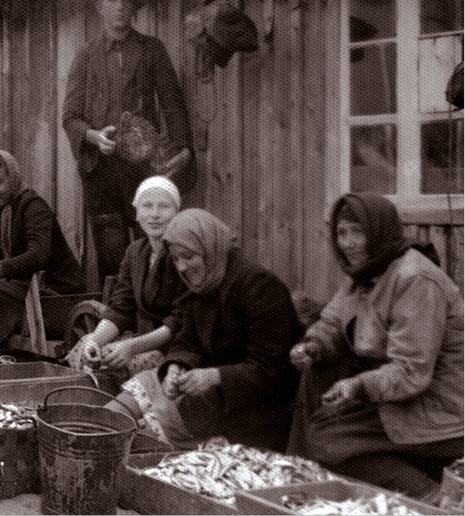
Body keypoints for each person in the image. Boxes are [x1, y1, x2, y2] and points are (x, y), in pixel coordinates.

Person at [287, 193, 463, 500]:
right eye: (342, 232)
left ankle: (435, 499)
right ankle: (300, 477)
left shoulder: (415, 279)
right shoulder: (366, 273)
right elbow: (334, 320)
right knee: (318, 379)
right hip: (400, 394)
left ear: (380, 230)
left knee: (330, 437)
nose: (348, 243)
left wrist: (357, 386)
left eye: (358, 231)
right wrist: (312, 345)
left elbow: (411, 372)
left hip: (441, 404)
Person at [111, 209, 302, 452]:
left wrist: (215, 376)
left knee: (140, 439)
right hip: (208, 390)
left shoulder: (259, 287)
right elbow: (187, 341)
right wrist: (176, 367)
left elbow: (273, 368)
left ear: (210, 249)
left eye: (189, 257)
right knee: (119, 410)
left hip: (257, 407)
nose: (182, 267)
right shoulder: (200, 285)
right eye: (176, 259)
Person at [61, 0, 194, 281]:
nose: (120, 8)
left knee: (156, 245)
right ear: (100, 7)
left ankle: (154, 312)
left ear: (134, 9)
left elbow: (173, 105)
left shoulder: (151, 50)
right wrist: (94, 137)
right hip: (100, 172)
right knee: (112, 255)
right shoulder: (86, 56)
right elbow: (69, 117)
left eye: (127, 2)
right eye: (112, 0)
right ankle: (117, 319)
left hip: (144, 170)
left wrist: (184, 148)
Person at [0, 150, 84, 365]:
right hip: (22, 292)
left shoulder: (33, 207)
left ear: (13, 178)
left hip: (54, 297)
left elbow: (37, 256)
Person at [68, 176, 186, 382]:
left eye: (164, 207)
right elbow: (121, 308)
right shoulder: (136, 252)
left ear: (176, 213)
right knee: (86, 350)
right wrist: (95, 340)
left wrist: (131, 347)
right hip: (139, 340)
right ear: (137, 213)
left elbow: (178, 322)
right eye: (147, 206)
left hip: (174, 348)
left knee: (111, 368)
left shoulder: (183, 254)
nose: (155, 215)